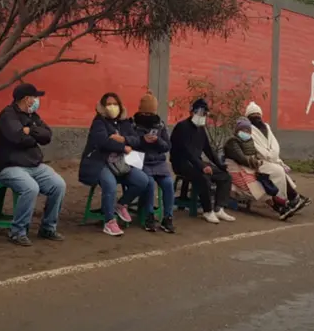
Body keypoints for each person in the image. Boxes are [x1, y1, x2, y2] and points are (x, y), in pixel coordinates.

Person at [0, 83, 66, 246]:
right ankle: (17, 231)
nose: (36, 100)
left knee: (59, 185)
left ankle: (48, 227)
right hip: (10, 167)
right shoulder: (7, 115)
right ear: (27, 99)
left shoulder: (33, 116)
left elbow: (47, 136)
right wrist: (32, 134)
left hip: (34, 165)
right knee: (30, 188)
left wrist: (30, 130)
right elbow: (18, 138)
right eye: (34, 97)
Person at [79, 92, 154, 236]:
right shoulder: (99, 122)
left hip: (122, 163)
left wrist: (121, 138)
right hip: (100, 162)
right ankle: (109, 221)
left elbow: (136, 139)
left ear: (120, 106)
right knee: (110, 184)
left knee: (142, 180)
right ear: (103, 106)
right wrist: (122, 146)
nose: (112, 107)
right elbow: (102, 142)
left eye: (115, 104)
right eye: (108, 104)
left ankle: (121, 204)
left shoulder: (125, 122)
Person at [223, 118, 309, 220]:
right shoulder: (232, 142)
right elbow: (241, 158)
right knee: (258, 188)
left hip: (247, 170)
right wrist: (255, 162)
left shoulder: (249, 142)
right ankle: (282, 207)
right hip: (236, 171)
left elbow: (251, 157)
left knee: (265, 183)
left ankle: (283, 206)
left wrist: (256, 163)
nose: (245, 133)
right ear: (237, 131)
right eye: (243, 130)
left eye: (247, 131)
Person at [170, 98, 235, 224]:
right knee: (203, 176)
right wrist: (201, 166)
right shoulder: (182, 127)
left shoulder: (201, 129)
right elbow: (186, 151)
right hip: (181, 163)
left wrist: (220, 165)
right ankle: (207, 210)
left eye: (204, 114)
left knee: (225, 176)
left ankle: (218, 208)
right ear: (192, 112)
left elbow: (209, 150)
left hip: (196, 162)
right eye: (199, 112)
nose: (202, 116)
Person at [244, 102, 311, 215]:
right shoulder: (248, 130)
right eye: (253, 115)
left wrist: (273, 155)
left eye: (257, 114)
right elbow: (256, 148)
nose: (256, 117)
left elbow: (274, 144)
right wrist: (269, 156)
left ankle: (293, 197)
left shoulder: (267, 128)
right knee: (278, 171)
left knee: (279, 169)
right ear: (248, 117)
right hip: (259, 162)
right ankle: (289, 199)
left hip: (271, 159)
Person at [131, 92, 175, 233]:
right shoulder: (132, 125)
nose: (148, 116)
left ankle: (168, 218)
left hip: (158, 162)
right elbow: (130, 145)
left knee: (168, 183)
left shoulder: (160, 125)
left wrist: (158, 141)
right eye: (145, 113)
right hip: (140, 161)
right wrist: (143, 140)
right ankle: (149, 216)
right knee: (148, 183)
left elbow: (167, 146)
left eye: (151, 113)